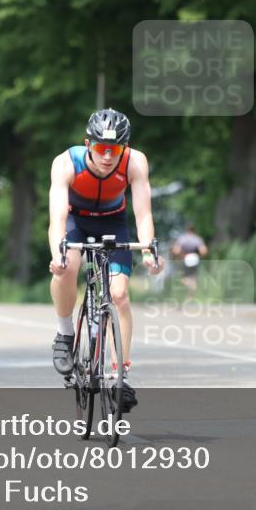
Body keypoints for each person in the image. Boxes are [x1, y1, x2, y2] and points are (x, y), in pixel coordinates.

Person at [48, 108, 164, 413]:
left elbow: (143, 213)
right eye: (101, 148)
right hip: (77, 221)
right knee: (67, 269)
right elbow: (57, 218)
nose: (108, 156)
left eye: (116, 149)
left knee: (119, 294)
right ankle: (64, 333)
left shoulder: (135, 162)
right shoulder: (65, 163)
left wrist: (150, 251)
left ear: (124, 147)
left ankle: (119, 374)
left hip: (113, 223)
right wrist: (57, 254)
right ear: (88, 144)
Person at [172, 223, 208, 295]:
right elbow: (203, 251)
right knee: (193, 277)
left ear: (187, 230)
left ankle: (190, 289)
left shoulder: (182, 238)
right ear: (194, 230)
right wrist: (199, 256)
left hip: (186, 258)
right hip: (195, 258)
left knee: (184, 277)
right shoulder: (197, 239)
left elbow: (176, 250)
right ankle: (191, 295)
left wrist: (181, 255)